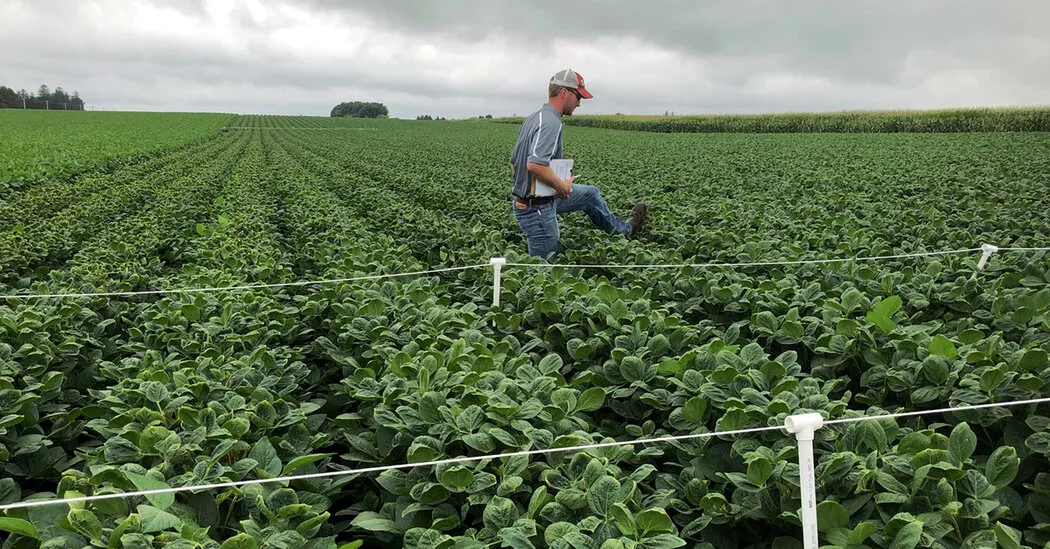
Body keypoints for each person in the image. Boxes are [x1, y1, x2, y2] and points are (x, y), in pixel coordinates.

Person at [509, 69, 647, 259]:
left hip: (540, 199)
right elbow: (535, 165)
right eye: (578, 97)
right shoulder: (551, 122)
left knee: (590, 194)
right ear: (564, 92)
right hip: (536, 209)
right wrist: (561, 186)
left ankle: (624, 231)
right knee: (542, 268)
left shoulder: (535, 118)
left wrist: (545, 187)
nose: (579, 104)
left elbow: (514, 162)